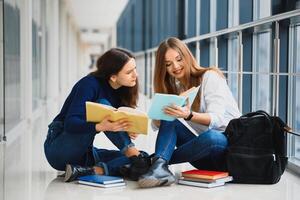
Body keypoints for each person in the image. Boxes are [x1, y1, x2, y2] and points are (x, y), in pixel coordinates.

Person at [138, 37, 241, 188]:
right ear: (164, 68)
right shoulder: (179, 89)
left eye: (179, 59)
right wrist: (162, 115)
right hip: (202, 154)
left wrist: (188, 115)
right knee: (171, 116)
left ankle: (154, 163)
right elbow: (156, 125)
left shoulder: (210, 77)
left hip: (226, 150)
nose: (176, 66)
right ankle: (159, 166)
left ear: (187, 57)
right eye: (168, 64)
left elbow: (217, 120)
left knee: (212, 137)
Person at [44, 48, 150, 182]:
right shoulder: (89, 84)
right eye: (129, 72)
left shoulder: (122, 91)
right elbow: (71, 124)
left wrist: (126, 129)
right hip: (60, 150)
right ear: (113, 77)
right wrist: (100, 126)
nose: (136, 75)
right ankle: (131, 152)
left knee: (144, 158)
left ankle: (90, 171)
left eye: (135, 69)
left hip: (85, 154)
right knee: (104, 104)